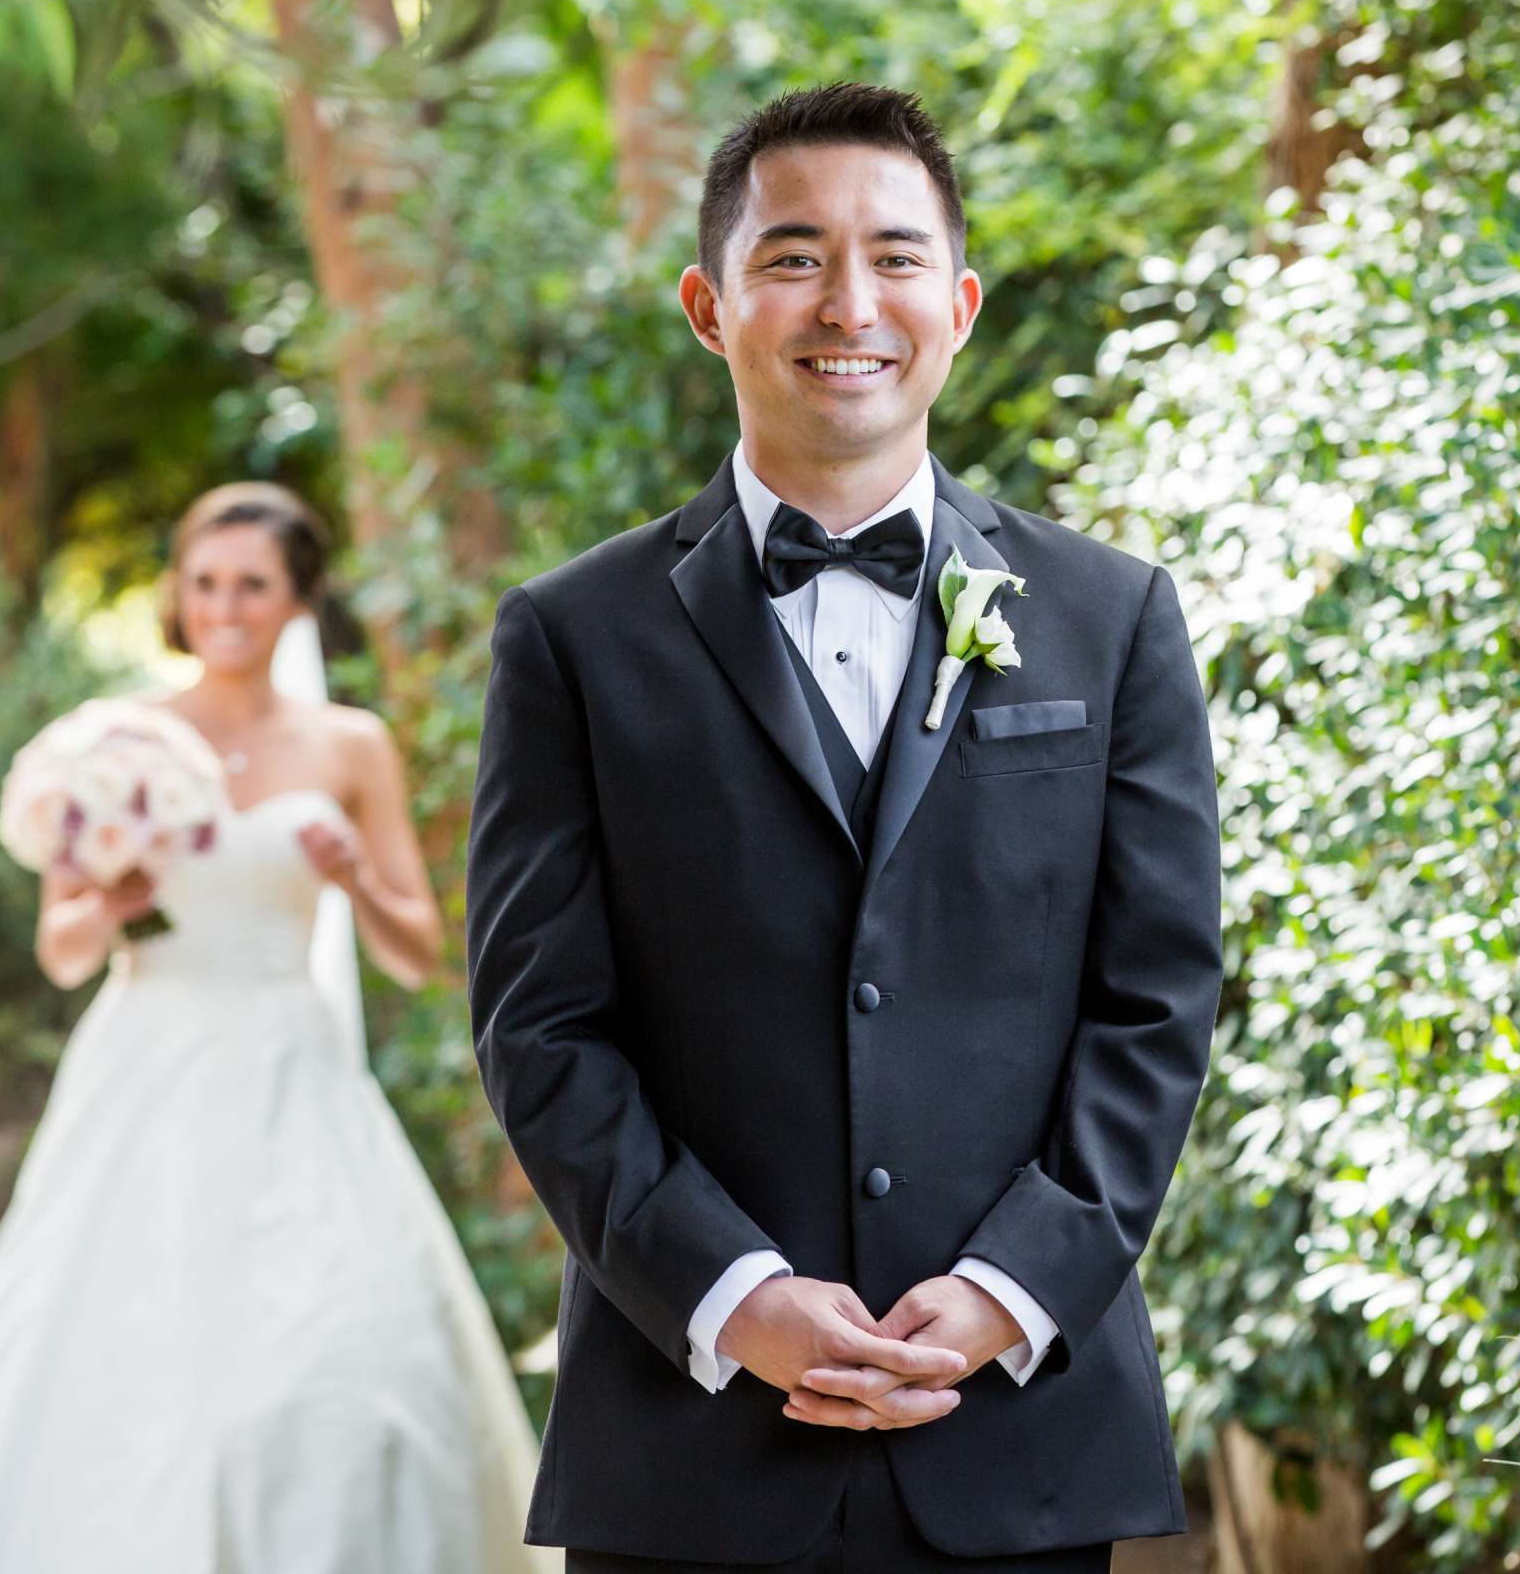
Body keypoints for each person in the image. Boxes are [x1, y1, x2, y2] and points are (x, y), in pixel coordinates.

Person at [464, 83, 1224, 1571]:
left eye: (893, 255)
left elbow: (1158, 997)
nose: (849, 303)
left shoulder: (1110, 620)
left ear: (960, 300)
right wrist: (731, 1292)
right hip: (691, 1451)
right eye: (795, 257)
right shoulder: (571, 638)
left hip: (1015, 1436)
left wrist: (1014, 1284)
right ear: (710, 304)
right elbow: (541, 1027)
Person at [0, 482, 557, 1574]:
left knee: (341, 1358)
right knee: (112, 1344)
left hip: (294, 1067)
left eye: (253, 586)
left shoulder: (350, 744)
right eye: (205, 582)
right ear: (179, 594)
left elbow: (418, 954)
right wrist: (119, 895)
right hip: (147, 1068)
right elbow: (64, 949)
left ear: (297, 602)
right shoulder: (118, 740)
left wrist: (356, 876)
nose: (225, 607)